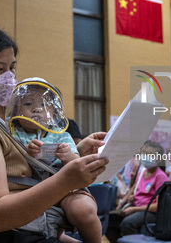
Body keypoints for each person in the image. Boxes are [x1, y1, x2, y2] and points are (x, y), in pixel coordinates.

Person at [0, 22, 108, 243]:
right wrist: (67, 180)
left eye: (12, 68)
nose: (9, 77)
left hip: (27, 229)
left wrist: (74, 151)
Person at [6, 77, 101, 243]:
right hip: (26, 190)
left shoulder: (62, 135)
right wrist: (25, 152)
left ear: (55, 111)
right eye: (27, 104)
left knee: (83, 210)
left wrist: (68, 156)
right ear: (15, 110)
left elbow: (77, 166)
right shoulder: (13, 134)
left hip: (64, 190)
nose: (36, 108)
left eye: (43, 105)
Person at [105, 141, 169, 243]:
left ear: (159, 159)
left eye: (150, 155)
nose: (146, 156)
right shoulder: (142, 172)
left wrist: (134, 209)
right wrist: (130, 199)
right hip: (135, 208)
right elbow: (135, 190)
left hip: (149, 212)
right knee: (108, 220)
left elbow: (159, 206)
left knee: (128, 223)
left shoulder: (161, 177)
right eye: (144, 153)